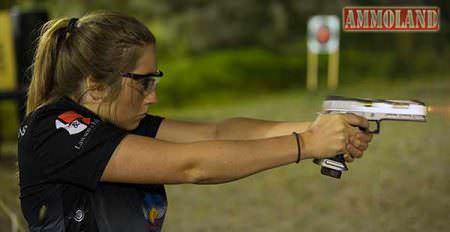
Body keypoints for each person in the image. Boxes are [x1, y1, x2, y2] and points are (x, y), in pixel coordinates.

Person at [18, 11, 372, 232]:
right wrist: (306, 145)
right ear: (96, 86)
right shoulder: (54, 129)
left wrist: (317, 129)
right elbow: (192, 165)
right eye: (142, 82)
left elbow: (217, 131)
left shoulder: (117, 122)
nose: (152, 95)